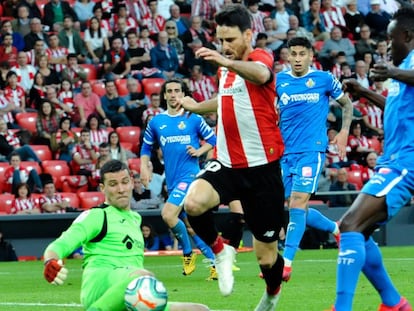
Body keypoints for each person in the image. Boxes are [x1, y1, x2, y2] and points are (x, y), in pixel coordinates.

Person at [180, 4, 286, 309]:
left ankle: (272, 293)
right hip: (227, 163)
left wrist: (225, 59)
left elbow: (262, 74)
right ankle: (221, 250)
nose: (224, 46)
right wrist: (198, 107)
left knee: (266, 255)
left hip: (262, 170)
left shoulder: (258, 58)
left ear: (249, 35)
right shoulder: (226, 68)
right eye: (220, 40)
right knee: (194, 202)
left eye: (230, 40)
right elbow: (227, 100)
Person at [327, 7, 414, 311]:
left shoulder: (409, 65)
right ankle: (394, 303)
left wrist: (391, 71)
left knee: (350, 225)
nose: (388, 47)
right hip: (396, 159)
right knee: (355, 230)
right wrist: (364, 92)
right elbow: (397, 106)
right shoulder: (405, 70)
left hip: (408, 163)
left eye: (391, 40)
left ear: (408, 35)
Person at [43, 159, 210, 311]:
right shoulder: (97, 215)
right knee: (143, 277)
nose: (121, 189)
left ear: (131, 182)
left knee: (200, 309)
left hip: (134, 292)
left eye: (124, 182)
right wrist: (51, 260)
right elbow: (62, 243)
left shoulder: (135, 219)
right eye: (113, 184)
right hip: (102, 285)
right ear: (103, 188)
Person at [275, 37, 353, 281]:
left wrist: (343, 132)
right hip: (284, 154)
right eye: (293, 54)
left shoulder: (324, 79)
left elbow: (347, 104)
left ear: (311, 56)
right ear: (287, 57)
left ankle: (286, 263)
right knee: (296, 207)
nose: (297, 59)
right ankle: (335, 228)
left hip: (312, 151)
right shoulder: (279, 81)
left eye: (302, 54)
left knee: (297, 204)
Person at [140, 78, 217, 277]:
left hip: (190, 175)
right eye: (170, 91)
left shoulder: (193, 118)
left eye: (177, 91)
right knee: (188, 225)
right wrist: (144, 167)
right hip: (172, 179)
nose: (174, 94)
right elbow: (146, 147)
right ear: (164, 95)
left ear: (183, 94)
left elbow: (213, 140)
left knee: (167, 214)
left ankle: (187, 253)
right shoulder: (157, 121)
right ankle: (214, 263)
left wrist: (200, 151)